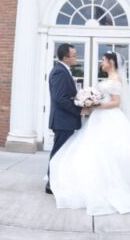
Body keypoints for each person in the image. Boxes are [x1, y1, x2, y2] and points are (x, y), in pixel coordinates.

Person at [49, 51, 130, 215]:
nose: (101, 62)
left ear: (111, 62)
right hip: (98, 118)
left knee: (112, 150)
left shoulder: (116, 79)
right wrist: (90, 102)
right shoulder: (108, 79)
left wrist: (96, 105)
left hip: (109, 117)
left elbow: (116, 102)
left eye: (103, 60)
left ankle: (116, 185)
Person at [46, 43, 84, 195]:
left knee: (63, 154)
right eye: (74, 55)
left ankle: (56, 182)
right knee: (58, 153)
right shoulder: (60, 72)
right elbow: (60, 99)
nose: (77, 58)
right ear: (65, 58)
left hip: (65, 121)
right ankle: (51, 184)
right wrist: (80, 109)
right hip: (63, 121)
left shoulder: (64, 71)